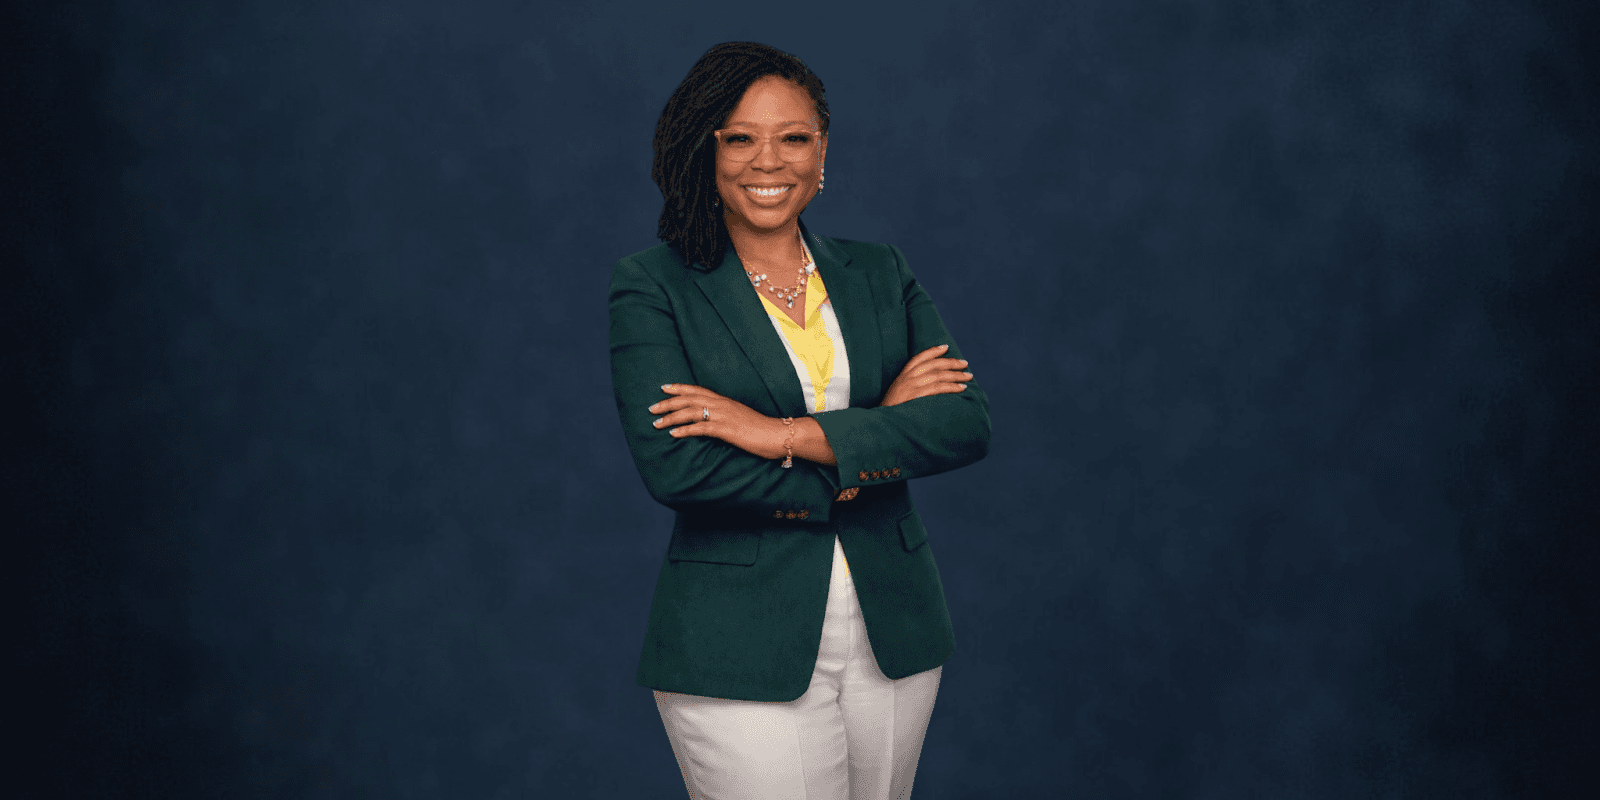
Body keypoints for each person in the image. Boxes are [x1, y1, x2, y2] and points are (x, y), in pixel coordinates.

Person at [608, 41, 991, 800]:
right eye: (740, 138)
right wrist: (876, 436)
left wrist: (775, 432)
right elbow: (679, 466)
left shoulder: (880, 271)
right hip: (737, 635)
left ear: (822, 151)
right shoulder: (654, 286)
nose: (767, 161)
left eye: (793, 137)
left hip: (893, 623)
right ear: (704, 150)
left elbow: (964, 422)